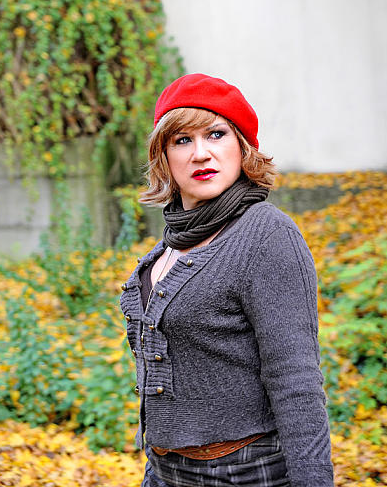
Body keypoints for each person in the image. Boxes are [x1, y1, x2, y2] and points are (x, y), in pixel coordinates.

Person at [120, 73, 334, 487]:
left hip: (245, 473)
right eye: (182, 140)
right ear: (164, 156)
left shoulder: (266, 235)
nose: (200, 153)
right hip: (165, 472)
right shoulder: (171, 245)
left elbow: (296, 381)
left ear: (242, 147)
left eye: (216, 135)